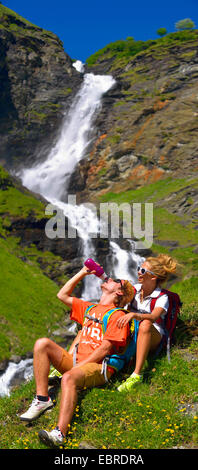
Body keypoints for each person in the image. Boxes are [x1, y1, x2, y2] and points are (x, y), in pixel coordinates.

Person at [20, 265, 134, 447]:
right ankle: (43, 399)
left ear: (119, 292)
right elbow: (62, 295)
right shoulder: (89, 308)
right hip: (78, 363)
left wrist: (79, 367)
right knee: (42, 343)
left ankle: (59, 434)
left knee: (69, 377)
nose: (108, 279)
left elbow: (104, 349)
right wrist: (82, 273)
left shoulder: (118, 316)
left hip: (100, 366)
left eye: (115, 280)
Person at [117, 254, 178, 392]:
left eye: (143, 271)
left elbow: (153, 316)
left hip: (153, 334)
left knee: (145, 324)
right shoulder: (135, 290)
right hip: (134, 331)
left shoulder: (163, 297)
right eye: (139, 268)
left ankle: (136, 375)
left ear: (153, 277)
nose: (138, 272)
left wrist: (134, 314)